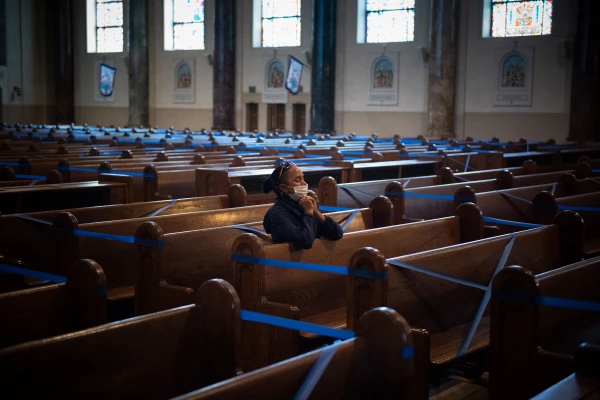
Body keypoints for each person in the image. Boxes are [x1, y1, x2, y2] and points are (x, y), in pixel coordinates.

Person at [263, 160, 343, 249]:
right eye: (298, 180)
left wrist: (316, 212)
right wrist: (308, 213)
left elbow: (337, 233)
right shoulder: (277, 214)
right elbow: (306, 242)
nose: (304, 183)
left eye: (303, 178)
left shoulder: (301, 205)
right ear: (284, 188)